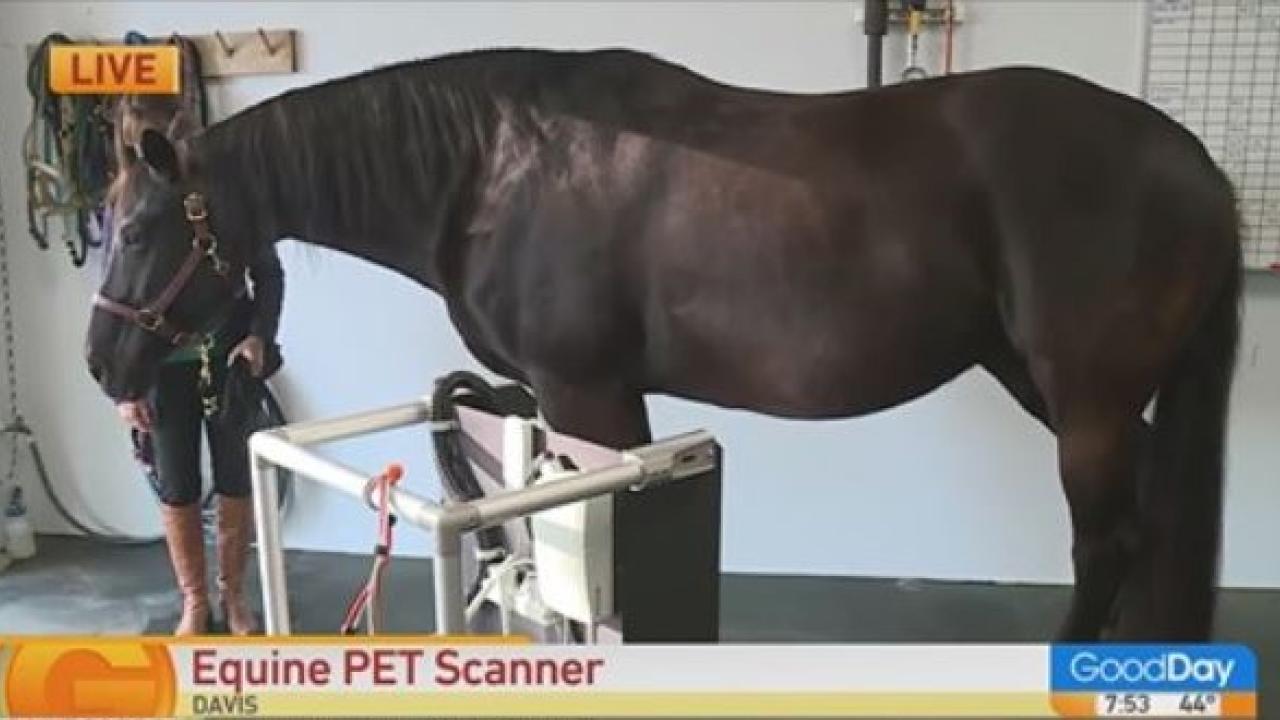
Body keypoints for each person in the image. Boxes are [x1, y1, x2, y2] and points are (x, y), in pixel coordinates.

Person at [115, 250, 284, 635]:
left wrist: (259, 336)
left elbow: (269, 274)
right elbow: (117, 295)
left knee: (236, 479)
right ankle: (195, 600)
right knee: (176, 486)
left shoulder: (239, 202)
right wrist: (125, 388)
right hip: (162, 370)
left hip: (229, 365)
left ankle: (234, 596)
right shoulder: (140, 205)